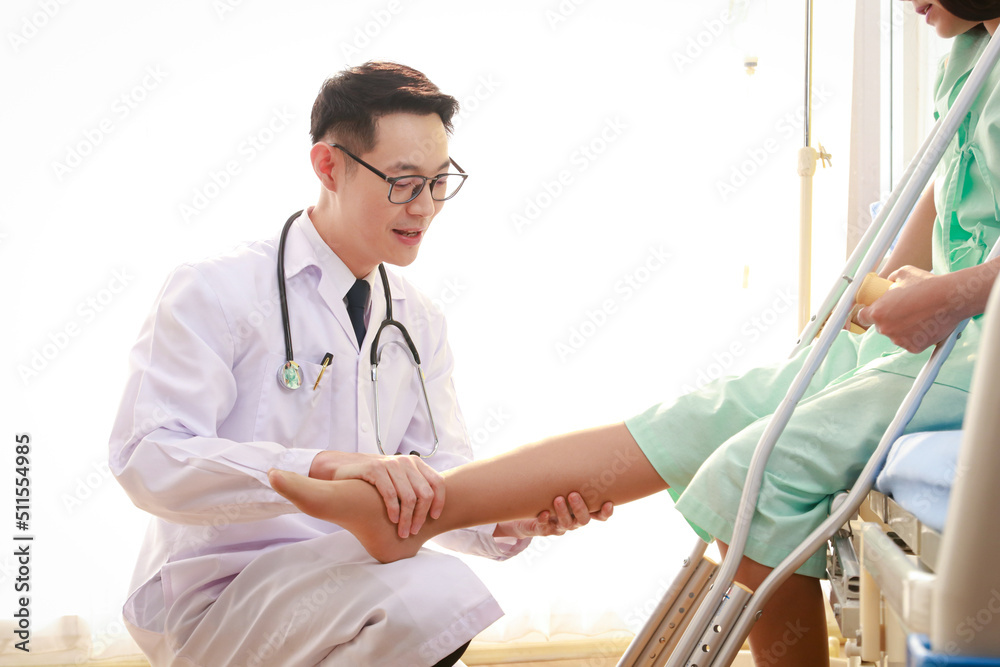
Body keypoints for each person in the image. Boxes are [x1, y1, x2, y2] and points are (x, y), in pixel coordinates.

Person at [267, 3, 1000, 665]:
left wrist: (954, 294)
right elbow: (938, 200)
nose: (909, 5)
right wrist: (868, 298)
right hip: (928, 331)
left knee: (752, 477)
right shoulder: (968, 58)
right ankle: (417, 517)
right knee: (692, 421)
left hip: (983, 345)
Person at [109, 61, 612, 667]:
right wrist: (320, 468)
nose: (424, 207)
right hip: (225, 590)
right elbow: (148, 457)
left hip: (351, 582)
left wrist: (517, 516)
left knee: (436, 595)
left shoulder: (417, 320)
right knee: (434, 595)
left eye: (438, 181)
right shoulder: (217, 289)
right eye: (403, 182)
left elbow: (436, 475)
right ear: (329, 166)